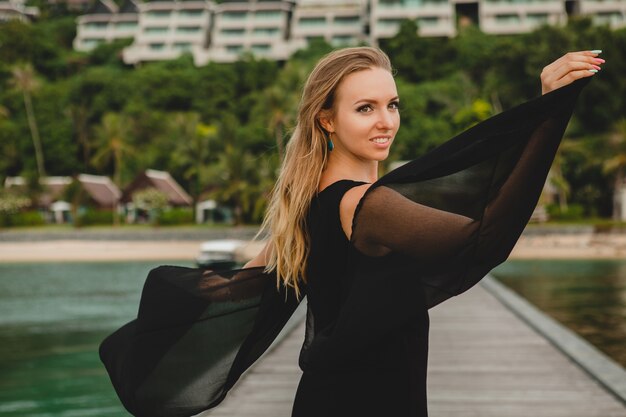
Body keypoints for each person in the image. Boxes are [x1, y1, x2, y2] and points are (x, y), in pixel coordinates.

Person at [100, 47, 602, 417]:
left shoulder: (306, 207)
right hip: (369, 402)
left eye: (392, 105)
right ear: (327, 120)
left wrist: (137, 347)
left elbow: (241, 287)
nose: (386, 122)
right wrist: (548, 112)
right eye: (365, 108)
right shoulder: (365, 204)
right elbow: (485, 239)